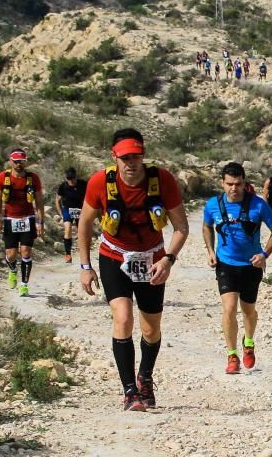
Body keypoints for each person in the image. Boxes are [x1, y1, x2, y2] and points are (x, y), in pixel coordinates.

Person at [76, 128, 189, 411]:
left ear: (143, 155)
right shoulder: (100, 182)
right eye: (125, 158)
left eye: (136, 156)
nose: (131, 163)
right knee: (123, 318)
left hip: (152, 258)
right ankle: (129, 391)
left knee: (151, 329)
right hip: (114, 256)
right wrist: (85, 266)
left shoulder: (162, 180)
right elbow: (85, 225)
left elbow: (181, 228)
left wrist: (168, 259)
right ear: (114, 156)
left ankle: (145, 378)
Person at [203, 162, 272, 374]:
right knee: (229, 309)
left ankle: (248, 342)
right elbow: (206, 226)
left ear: (244, 182)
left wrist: (264, 254)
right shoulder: (213, 204)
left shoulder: (258, 205)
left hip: (251, 266)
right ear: (222, 183)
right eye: (229, 184)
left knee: (248, 311)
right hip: (226, 264)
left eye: (238, 183)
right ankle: (232, 355)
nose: (234, 188)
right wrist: (210, 250)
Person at [0, 149, 45, 297]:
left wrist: (40, 222)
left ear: (25, 162)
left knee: (26, 252)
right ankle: (13, 270)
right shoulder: (2, 178)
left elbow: (39, 201)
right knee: (11, 254)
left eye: (21, 161)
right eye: (16, 161)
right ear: (10, 162)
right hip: (10, 219)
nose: (18, 164)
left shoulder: (33, 178)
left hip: (28, 218)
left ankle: (24, 285)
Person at [55, 167, 87, 263]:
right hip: (68, 209)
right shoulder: (63, 186)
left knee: (81, 231)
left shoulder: (83, 184)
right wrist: (60, 213)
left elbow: (89, 197)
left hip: (80, 209)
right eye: (69, 178)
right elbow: (57, 200)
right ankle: (68, 254)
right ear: (66, 178)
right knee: (68, 229)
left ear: (76, 176)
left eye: (73, 178)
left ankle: (83, 252)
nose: (71, 181)